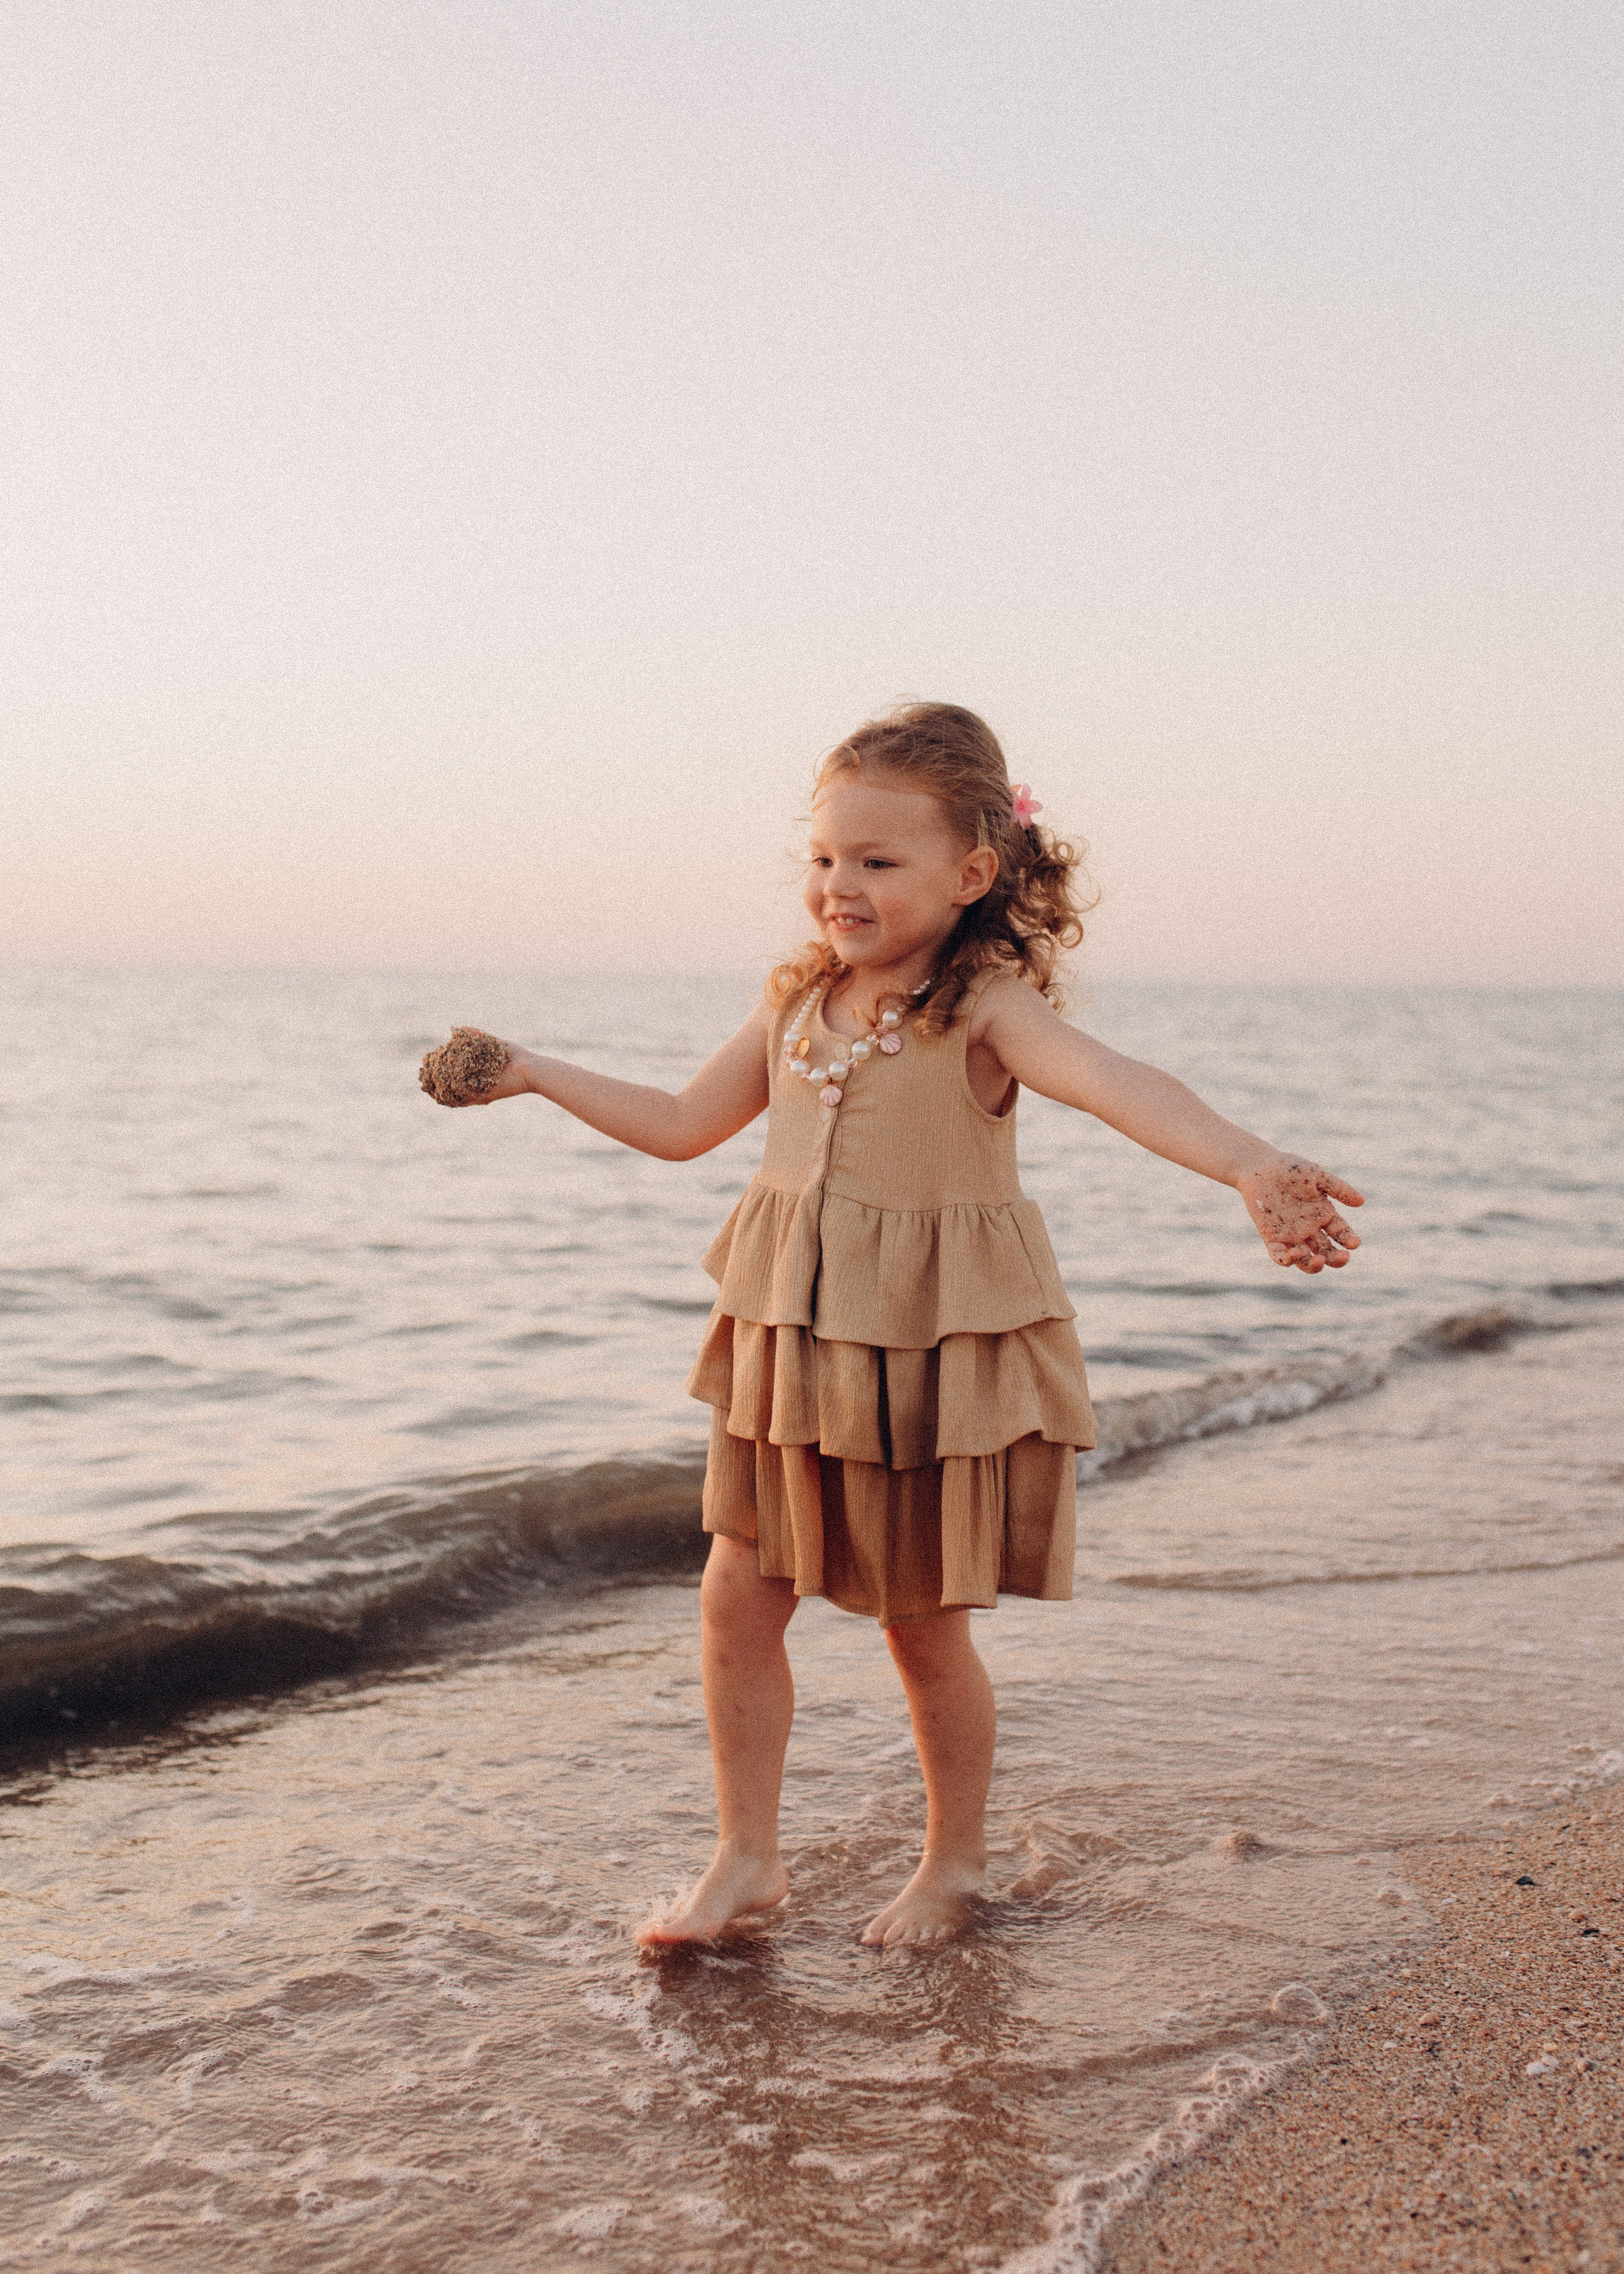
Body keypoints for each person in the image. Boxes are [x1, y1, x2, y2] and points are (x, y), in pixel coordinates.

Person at [421, 702, 1363, 1949]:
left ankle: (955, 1862)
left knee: (923, 1632)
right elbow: (676, 1121)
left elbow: (1114, 1081)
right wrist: (536, 1071)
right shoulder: (796, 1001)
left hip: (921, 1358)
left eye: (874, 861)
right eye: (821, 859)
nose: (836, 887)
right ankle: (745, 1857)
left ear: (970, 872)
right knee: (732, 1601)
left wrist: (1243, 1160)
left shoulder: (981, 1007)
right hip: (786, 1351)